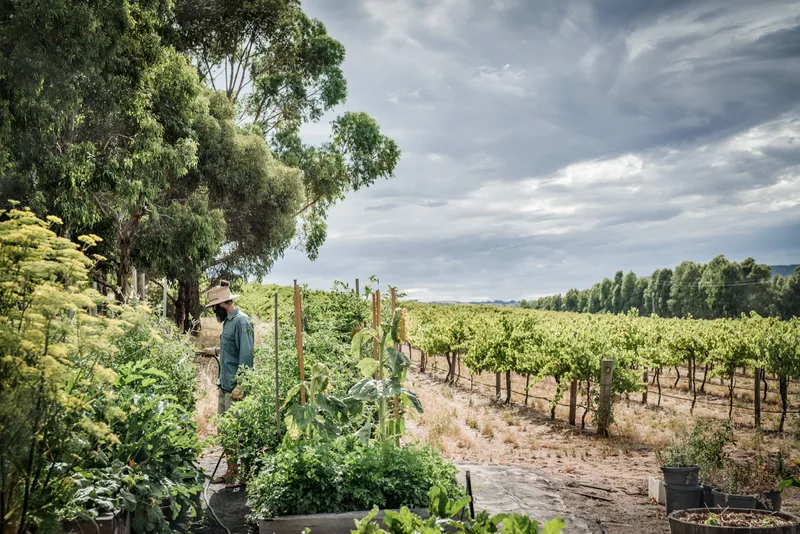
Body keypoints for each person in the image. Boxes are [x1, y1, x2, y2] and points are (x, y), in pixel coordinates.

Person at [201, 280, 254, 486]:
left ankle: (245, 474)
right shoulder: (229, 323)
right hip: (224, 385)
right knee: (226, 431)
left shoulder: (242, 321)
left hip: (235, 387)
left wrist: (241, 385)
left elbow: (246, 355)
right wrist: (213, 351)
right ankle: (232, 472)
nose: (214, 311)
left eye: (214, 307)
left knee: (240, 432)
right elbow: (230, 349)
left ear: (223, 304)